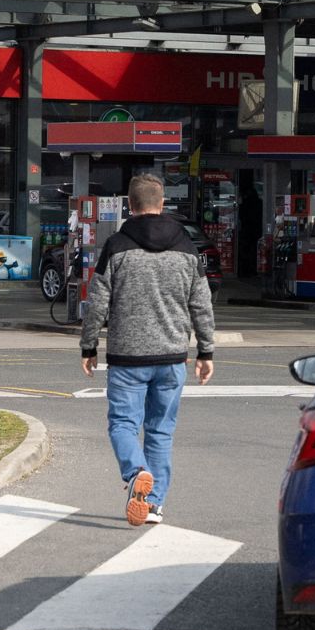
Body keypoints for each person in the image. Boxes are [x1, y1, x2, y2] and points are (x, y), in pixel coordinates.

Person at [80, 173, 217, 527]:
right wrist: (205, 352)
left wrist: (89, 345)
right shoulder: (186, 247)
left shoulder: (117, 246)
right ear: (162, 203)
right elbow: (202, 304)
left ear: (130, 204)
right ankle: (153, 504)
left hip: (127, 357)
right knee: (160, 431)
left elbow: (97, 302)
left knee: (123, 424)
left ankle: (136, 471)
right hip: (172, 357)